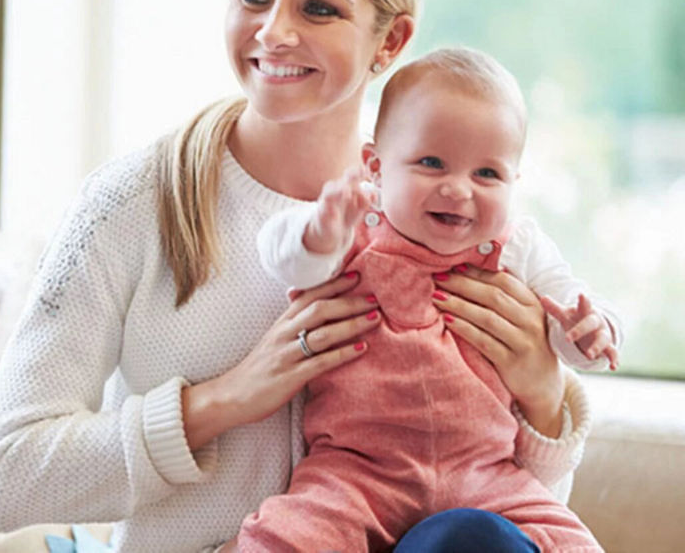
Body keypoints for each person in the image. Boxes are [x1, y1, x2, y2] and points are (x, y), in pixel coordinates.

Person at [0, 0, 593, 553]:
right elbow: (6, 478)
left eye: (318, 9)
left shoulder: (446, 213)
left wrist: (541, 398)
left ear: (391, 41)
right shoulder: (130, 205)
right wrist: (224, 401)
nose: (274, 32)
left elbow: (501, 516)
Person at [241, 47, 618, 551]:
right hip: (358, 473)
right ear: (375, 166)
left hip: (486, 476)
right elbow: (283, 257)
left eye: (487, 174)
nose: (458, 189)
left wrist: (591, 330)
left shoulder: (518, 247)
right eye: (432, 163)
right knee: (286, 537)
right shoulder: (354, 229)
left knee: (572, 543)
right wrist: (319, 230)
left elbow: (567, 312)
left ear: (514, 183)